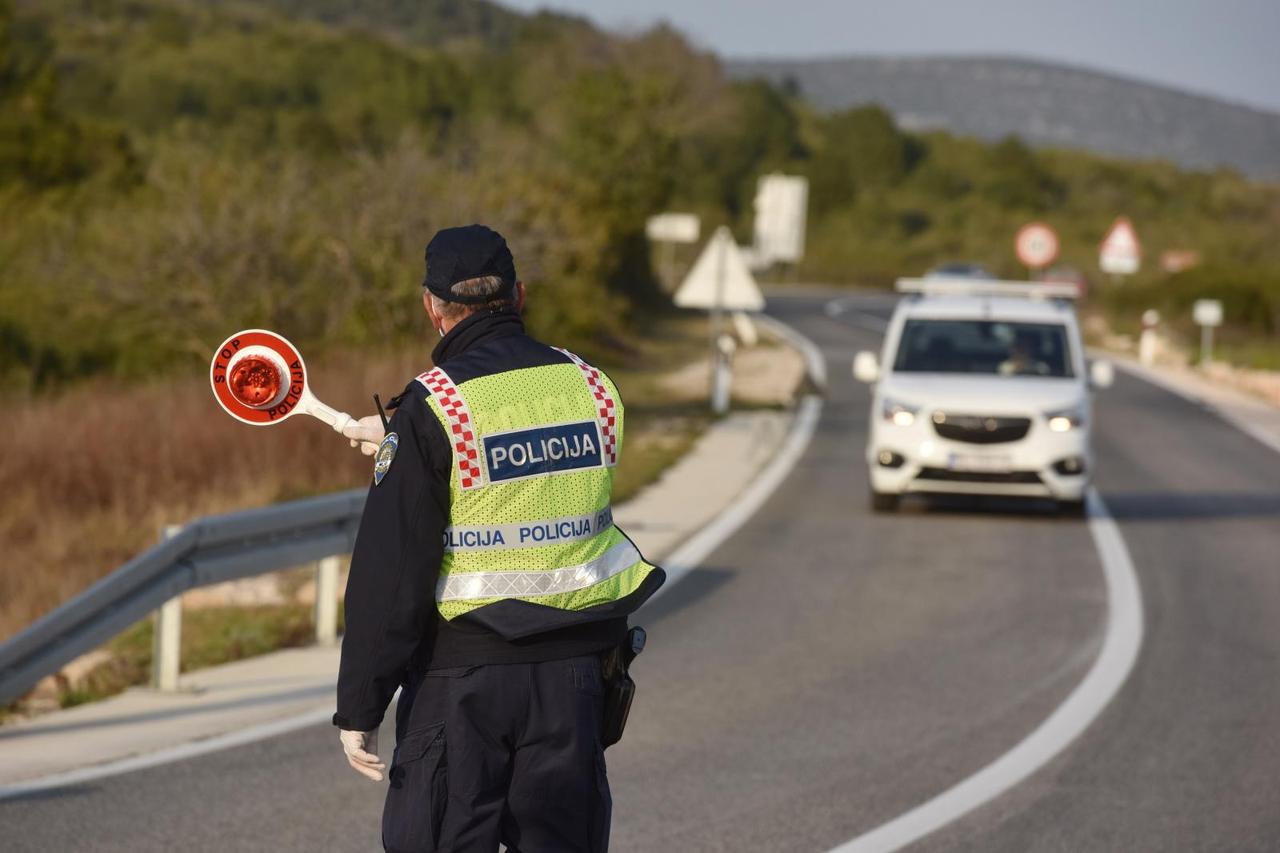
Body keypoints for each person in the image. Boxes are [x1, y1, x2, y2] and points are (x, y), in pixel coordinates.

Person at [333, 224, 665, 853]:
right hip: (574, 680)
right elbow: (530, 473)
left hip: (465, 682)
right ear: (519, 293)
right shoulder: (592, 387)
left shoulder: (434, 407)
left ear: (432, 307)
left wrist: (360, 706)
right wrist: (407, 443)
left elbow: (393, 574)